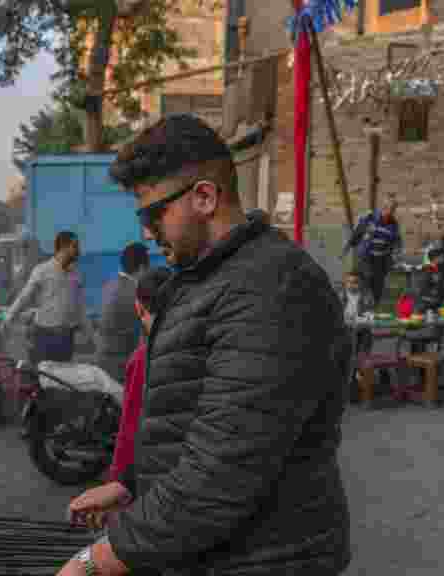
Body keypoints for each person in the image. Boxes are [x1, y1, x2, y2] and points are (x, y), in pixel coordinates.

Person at [60, 115, 351, 576]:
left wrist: (94, 561)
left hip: (262, 560)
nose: (146, 232)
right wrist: (131, 483)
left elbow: (224, 470)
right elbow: (191, 414)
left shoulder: (272, 288)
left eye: (152, 214)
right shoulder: (208, 277)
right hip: (214, 554)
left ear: (204, 197)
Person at [106, 266, 171, 484]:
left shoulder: (143, 357)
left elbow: (130, 426)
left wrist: (117, 478)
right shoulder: (201, 344)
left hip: (154, 472)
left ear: (139, 308)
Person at [2, 231, 95, 365]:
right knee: (42, 377)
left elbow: (80, 307)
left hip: (66, 338)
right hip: (44, 335)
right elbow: (24, 297)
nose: (78, 250)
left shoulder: (76, 275)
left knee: (62, 378)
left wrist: (90, 334)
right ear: (63, 247)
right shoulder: (42, 270)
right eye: (75, 246)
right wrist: (8, 318)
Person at [96, 242, 150, 382]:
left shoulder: (109, 285)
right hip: (121, 367)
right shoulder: (136, 293)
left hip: (102, 362)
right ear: (142, 268)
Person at [343, 197, 403, 305]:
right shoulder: (370, 217)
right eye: (389, 208)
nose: (390, 212)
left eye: (393, 209)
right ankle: (359, 308)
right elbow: (357, 233)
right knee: (365, 282)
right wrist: (347, 248)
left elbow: (397, 241)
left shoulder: (394, 224)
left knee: (377, 286)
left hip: (381, 260)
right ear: (383, 208)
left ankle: (373, 310)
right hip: (366, 256)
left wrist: (396, 255)